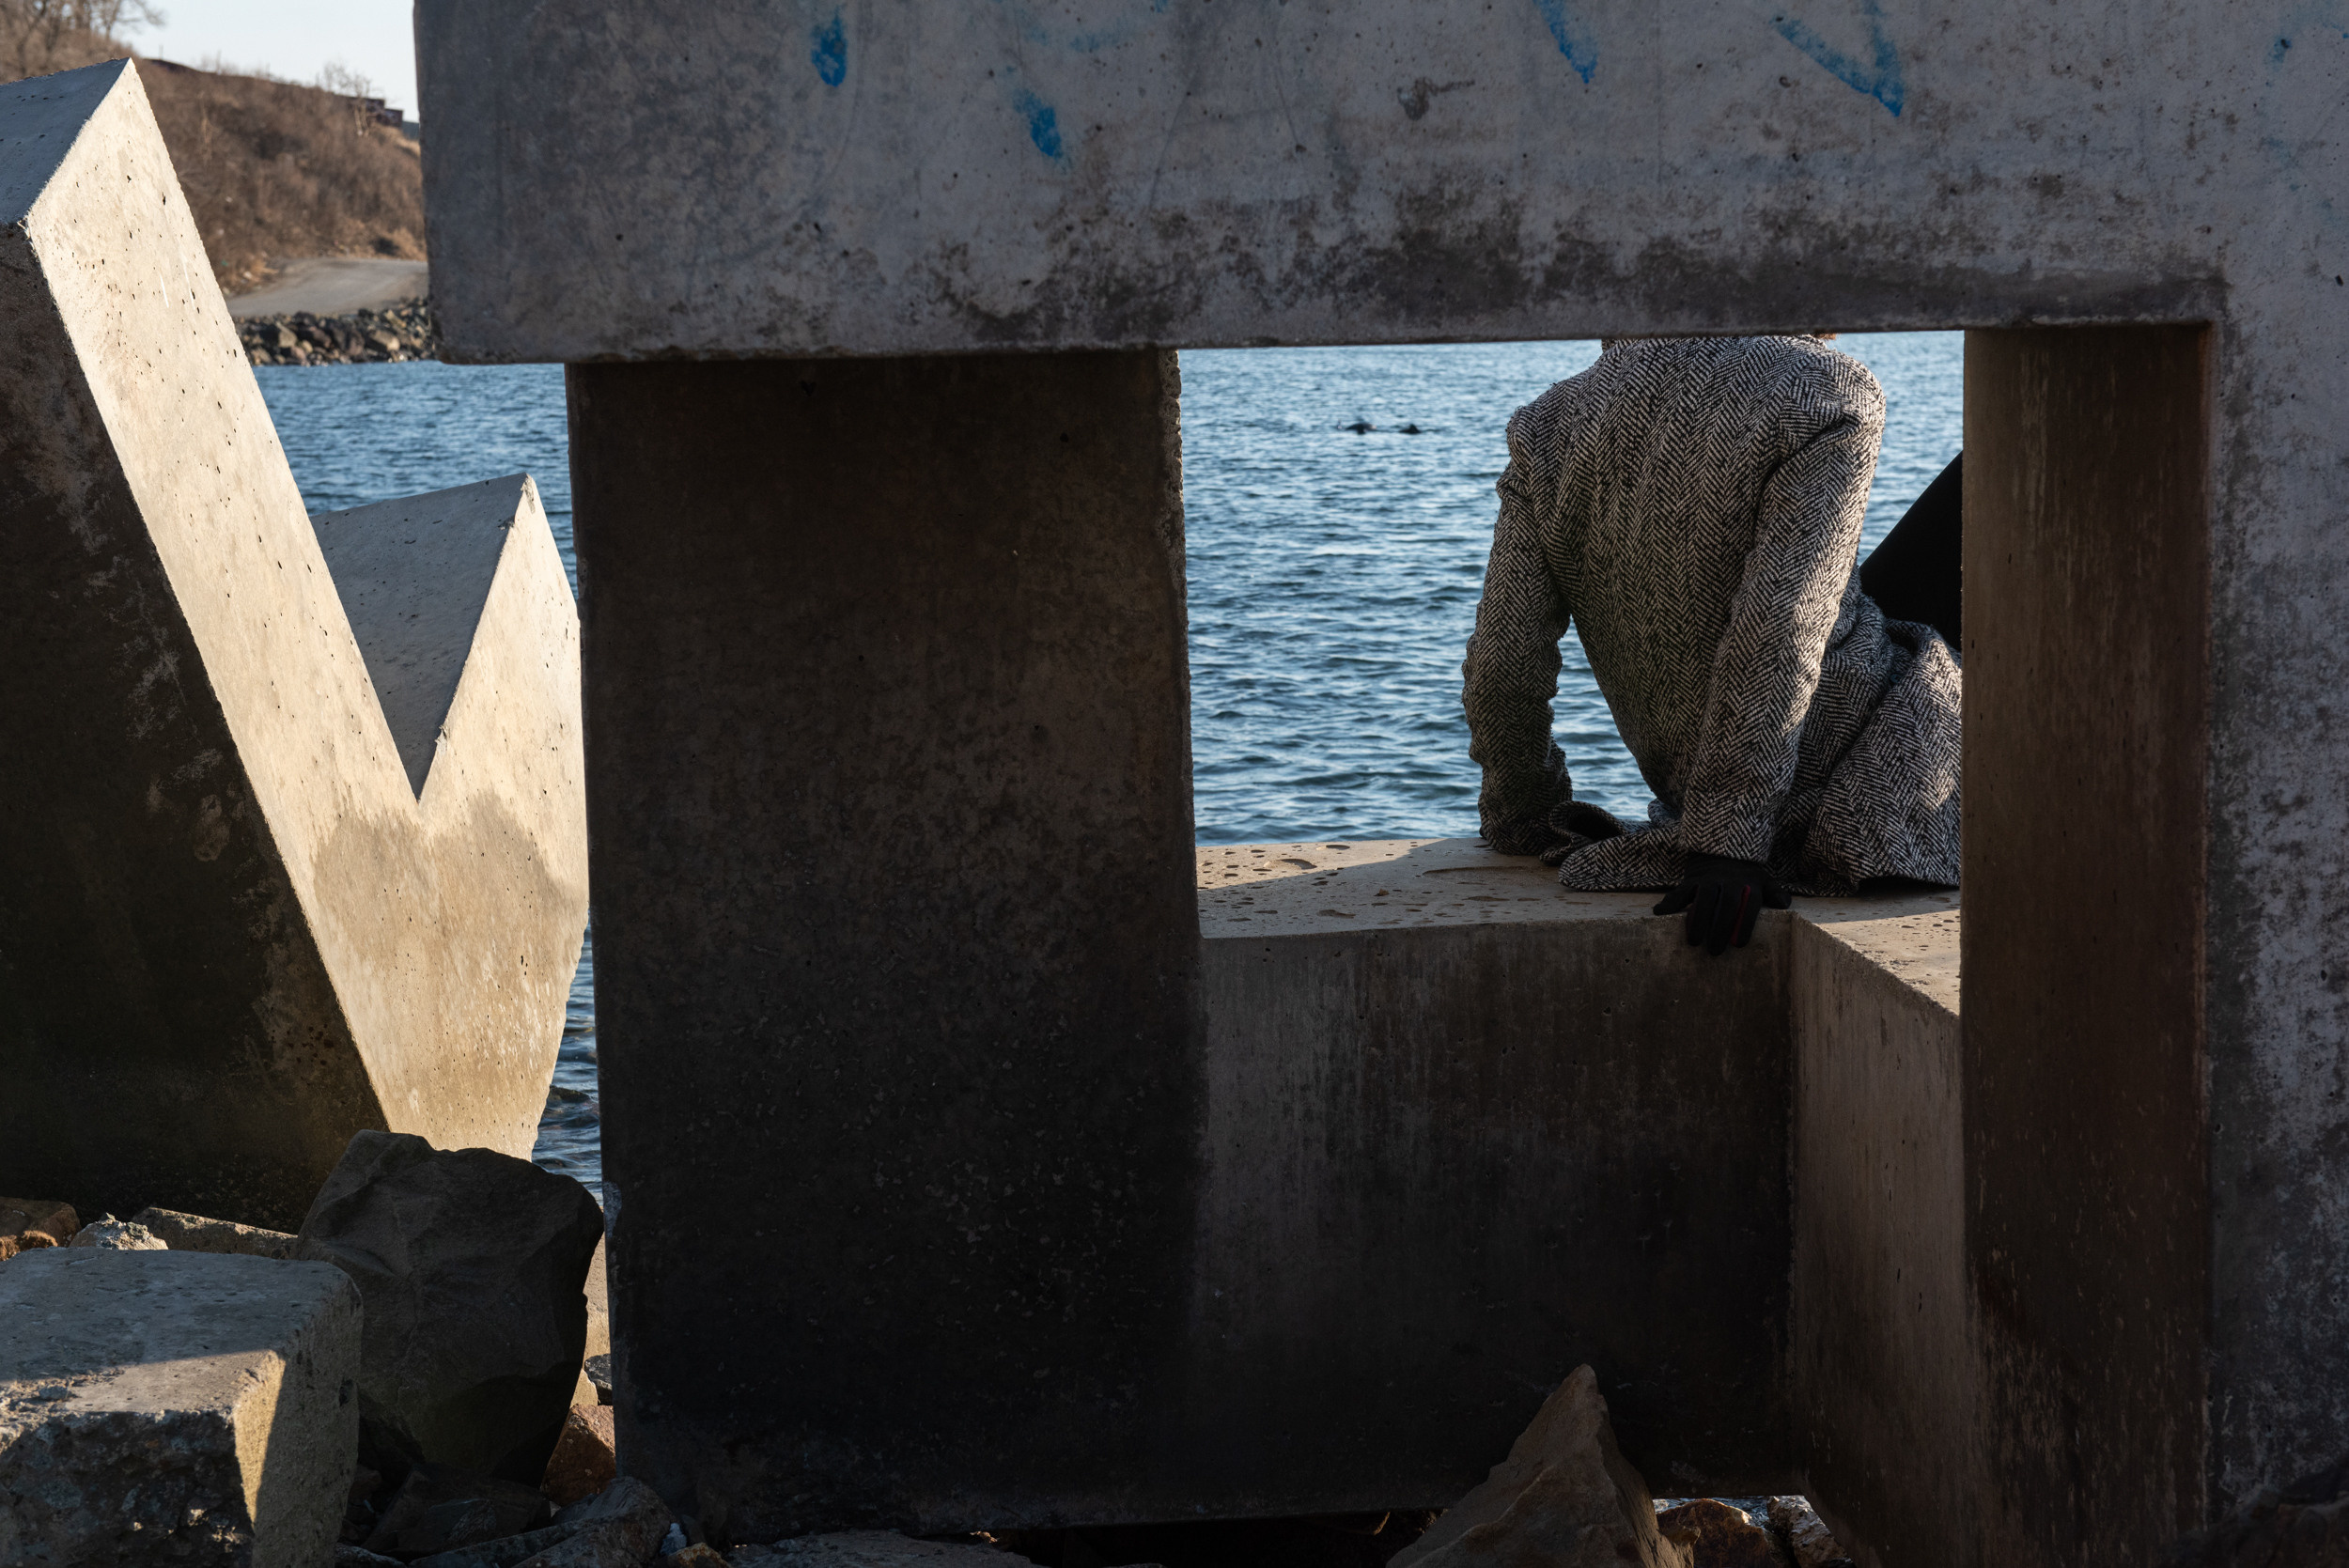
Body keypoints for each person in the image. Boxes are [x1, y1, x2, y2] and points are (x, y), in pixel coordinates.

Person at [1460, 334, 1962, 955]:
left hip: (1697, 786)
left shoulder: (1549, 423)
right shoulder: (1825, 387)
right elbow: (1783, 622)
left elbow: (1503, 664)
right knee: (1987, 478)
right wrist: (1731, 838)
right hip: (1845, 783)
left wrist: (1523, 814)